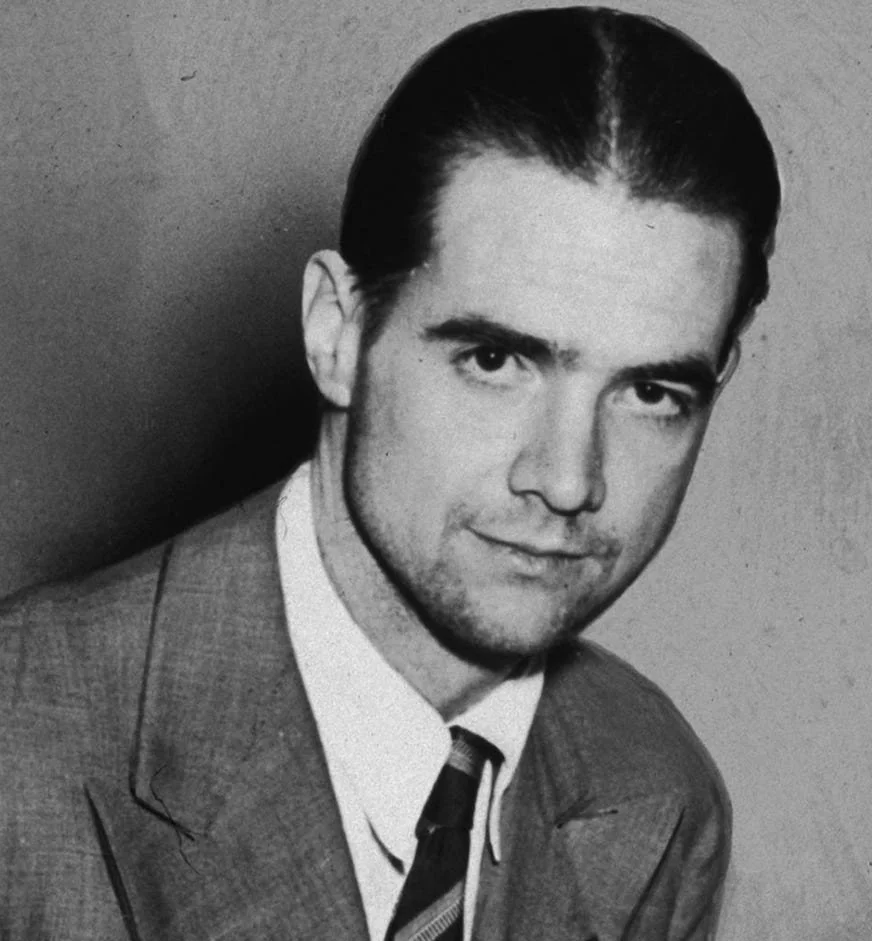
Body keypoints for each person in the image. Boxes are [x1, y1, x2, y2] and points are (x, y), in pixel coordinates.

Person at [0, 7, 780, 940]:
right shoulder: (20, 740)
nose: (569, 480)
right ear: (338, 331)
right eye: (495, 360)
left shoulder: (658, 796)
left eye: (652, 391)